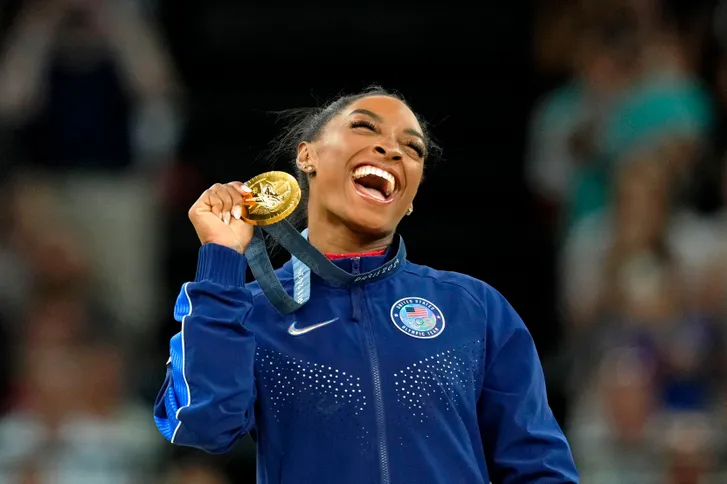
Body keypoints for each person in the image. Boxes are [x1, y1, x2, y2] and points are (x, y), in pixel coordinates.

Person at [153, 87, 579, 483]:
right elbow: (202, 423)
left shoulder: (473, 308)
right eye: (364, 126)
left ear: (411, 198)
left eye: (412, 148)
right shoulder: (250, 311)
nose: (391, 148)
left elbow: (540, 467)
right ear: (307, 156)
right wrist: (222, 260)